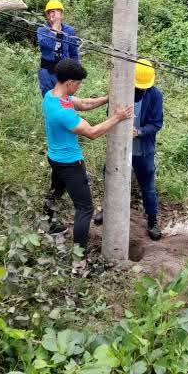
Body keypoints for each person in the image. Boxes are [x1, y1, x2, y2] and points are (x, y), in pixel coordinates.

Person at [43, 58, 132, 274]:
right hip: (70, 163)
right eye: (78, 83)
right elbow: (92, 132)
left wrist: (109, 98)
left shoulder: (51, 96)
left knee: (56, 191)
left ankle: (48, 224)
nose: (79, 87)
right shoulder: (62, 112)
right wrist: (117, 118)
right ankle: (79, 264)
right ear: (70, 82)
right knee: (84, 209)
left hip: (54, 157)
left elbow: (84, 103)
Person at [131, 59, 164, 241]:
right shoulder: (122, 88)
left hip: (144, 149)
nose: (139, 90)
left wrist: (139, 132)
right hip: (120, 148)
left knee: (148, 186)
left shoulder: (155, 95)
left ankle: (152, 221)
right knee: (111, 177)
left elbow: (157, 123)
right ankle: (107, 210)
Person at [37, 0, 79, 97]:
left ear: (61, 15)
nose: (53, 15)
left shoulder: (69, 30)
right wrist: (55, 28)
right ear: (47, 15)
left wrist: (75, 72)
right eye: (50, 12)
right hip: (47, 72)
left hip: (65, 71)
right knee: (49, 98)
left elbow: (73, 53)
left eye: (56, 12)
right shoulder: (42, 30)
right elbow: (47, 45)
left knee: (65, 99)